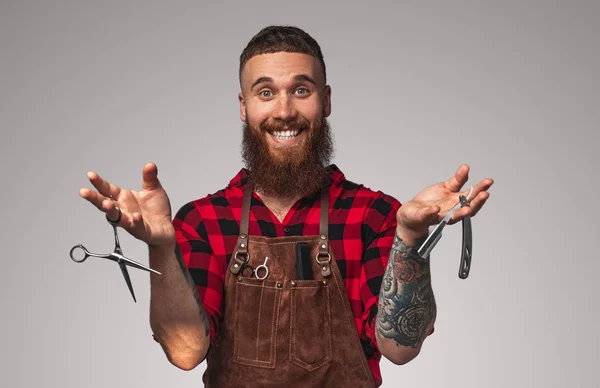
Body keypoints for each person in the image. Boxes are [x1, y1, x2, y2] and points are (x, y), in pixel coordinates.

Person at [79, 25, 493, 387]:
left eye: (301, 89)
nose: (284, 111)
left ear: (325, 101)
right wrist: (162, 247)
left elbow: (401, 347)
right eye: (265, 92)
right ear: (244, 107)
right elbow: (186, 353)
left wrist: (410, 236)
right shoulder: (203, 221)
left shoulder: (372, 215)